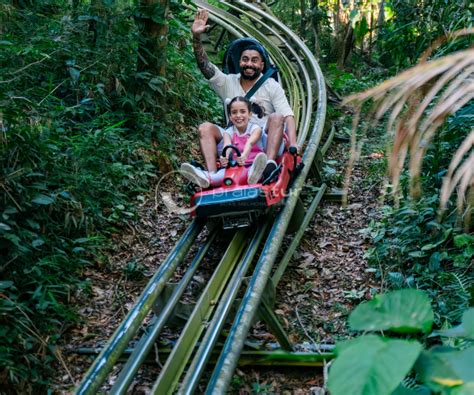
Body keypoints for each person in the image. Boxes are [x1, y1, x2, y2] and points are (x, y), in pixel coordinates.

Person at [182, 9, 298, 187]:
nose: (249, 64)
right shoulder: (228, 82)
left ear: (261, 64)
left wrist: (294, 144)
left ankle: (266, 167)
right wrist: (196, 37)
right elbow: (205, 66)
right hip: (234, 140)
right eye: (245, 59)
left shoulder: (271, 86)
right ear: (239, 62)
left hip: (262, 142)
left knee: (276, 117)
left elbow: (287, 115)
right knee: (205, 128)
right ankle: (212, 176)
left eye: (254, 60)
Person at [181, 96, 268, 187]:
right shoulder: (229, 132)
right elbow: (227, 145)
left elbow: (250, 143)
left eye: (242, 112)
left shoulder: (255, 129)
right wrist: (224, 157)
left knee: (252, 170)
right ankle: (205, 177)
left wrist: (244, 156)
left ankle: (255, 175)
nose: (238, 115)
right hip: (236, 167)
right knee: (221, 175)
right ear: (230, 116)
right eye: (234, 112)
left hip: (252, 164)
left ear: (249, 115)